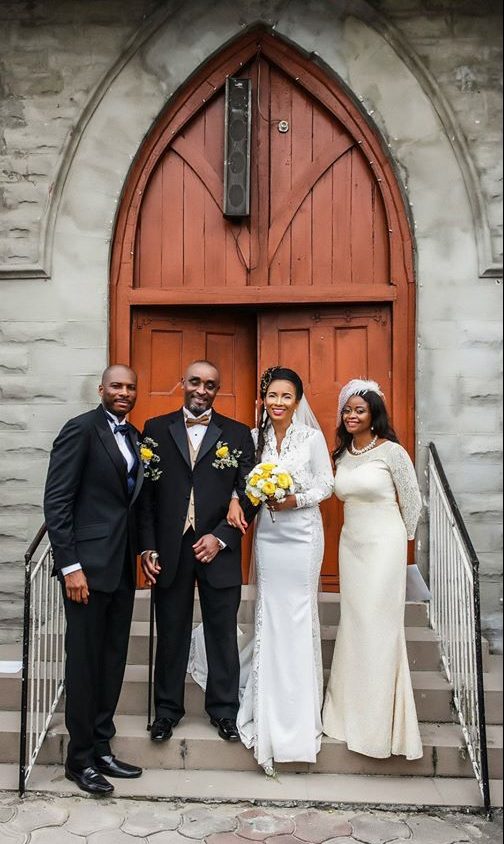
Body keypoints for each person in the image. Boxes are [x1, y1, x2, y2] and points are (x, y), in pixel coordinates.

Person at [139, 360, 256, 744]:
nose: (202, 390)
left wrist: (221, 536)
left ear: (216, 390)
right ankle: (167, 711)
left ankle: (224, 711)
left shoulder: (238, 434)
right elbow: (146, 497)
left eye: (210, 384)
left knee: (221, 633)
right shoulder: (155, 430)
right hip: (171, 548)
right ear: (182, 383)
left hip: (217, 549)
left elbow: (250, 492)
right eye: (195, 382)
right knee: (171, 631)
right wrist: (148, 546)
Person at [226, 367, 333, 777]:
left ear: (298, 400)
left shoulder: (310, 438)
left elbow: (326, 483)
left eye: (286, 396)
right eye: (272, 395)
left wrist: (297, 500)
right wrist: (241, 498)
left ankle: (299, 717)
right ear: (263, 399)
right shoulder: (257, 440)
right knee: (270, 614)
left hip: (303, 535)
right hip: (269, 537)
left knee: (299, 614)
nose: (278, 403)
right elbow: (244, 484)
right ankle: (267, 710)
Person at [44, 365, 144, 795]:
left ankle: (102, 746)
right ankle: (78, 758)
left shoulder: (136, 437)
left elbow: (129, 504)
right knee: (84, 664)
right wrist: (70, 567)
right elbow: (57, 500)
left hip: (121, 568)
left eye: (130, 387)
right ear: (101, 389)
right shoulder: (80, 430)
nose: (124, 392)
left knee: (112, 660)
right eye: (117, 386)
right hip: (85, 570)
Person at [322, 379, 423, 760]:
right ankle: (346, 718)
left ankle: (380, 727)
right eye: (347, 410)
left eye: (359, 410)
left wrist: (402, 549)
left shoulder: (391, 451)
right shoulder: (342, 455)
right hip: (352, 545)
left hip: (385, 544)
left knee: (379, 629)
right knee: (355, 624)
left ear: (373, 415)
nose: (351, 416)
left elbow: (412, 502)